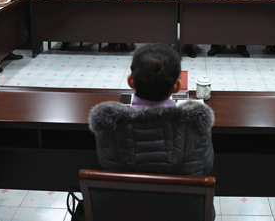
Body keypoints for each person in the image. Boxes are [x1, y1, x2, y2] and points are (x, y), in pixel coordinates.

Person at [89, 44, 214, 176]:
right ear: (177, 86)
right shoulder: (196, 125)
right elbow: (206, 167)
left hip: (125, 190)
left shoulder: (108, 125)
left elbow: (105, 164)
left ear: (130, 81)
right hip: (182, 190)